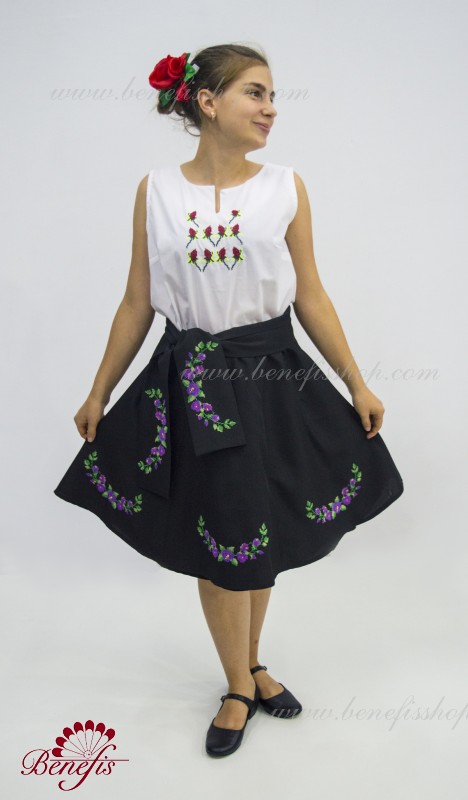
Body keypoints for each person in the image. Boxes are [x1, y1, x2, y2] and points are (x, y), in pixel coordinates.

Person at [54, 43, 404, 758]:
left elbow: (310, 293)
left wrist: (355, 381)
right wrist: (99, 390)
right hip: (193, 385)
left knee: (258, 529)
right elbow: (137, 301)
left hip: (273, 378)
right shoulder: (156, 191)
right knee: (224, 533)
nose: (271, 108)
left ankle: (250, 663)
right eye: (255, 92)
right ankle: (239, 684)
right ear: (208, 102)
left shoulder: (285, 187)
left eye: (272, 95)